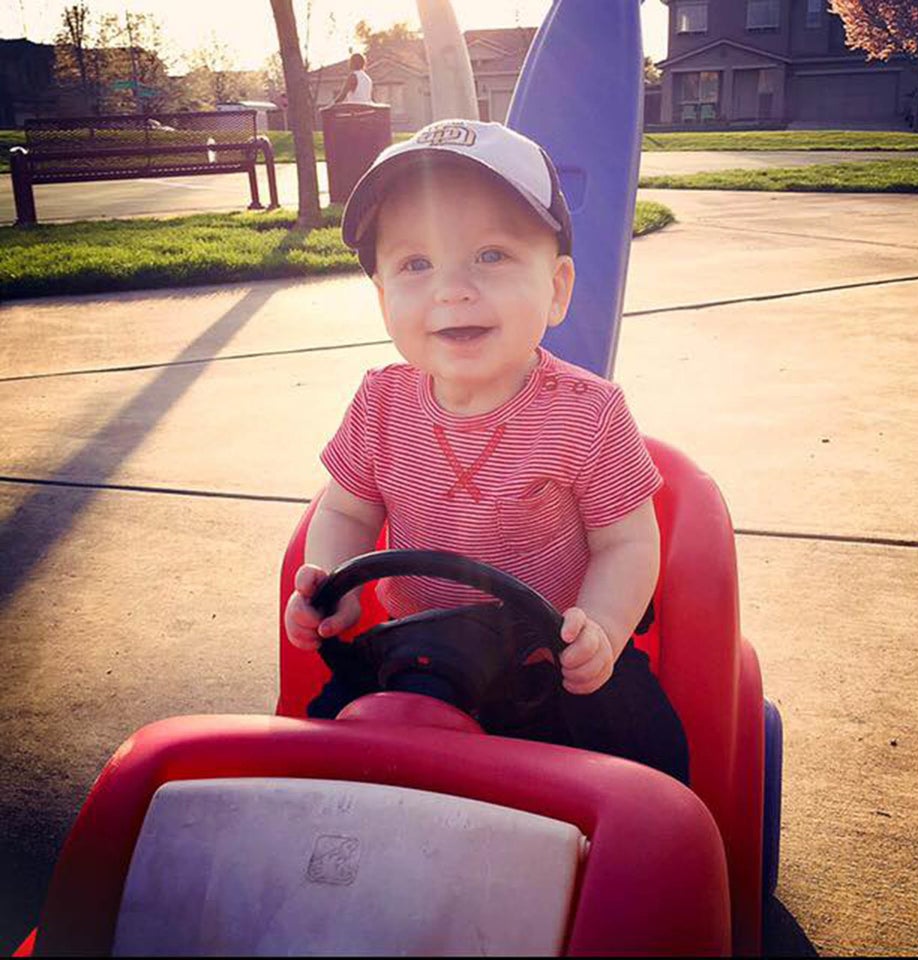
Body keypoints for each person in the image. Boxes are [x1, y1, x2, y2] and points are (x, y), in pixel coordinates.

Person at [284, 119, 689, 784]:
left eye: (491, 256)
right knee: (316, 761)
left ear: (557, 288)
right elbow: (346, 514)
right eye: (416, 264)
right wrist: (329, 585)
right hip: (412, 663)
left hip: (549, 668)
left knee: (647, 761)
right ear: (384, 298)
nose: (452, 289)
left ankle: (673, 871)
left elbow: (627, 543)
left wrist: (604, 632)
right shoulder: (379, 404)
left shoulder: (589, 412)